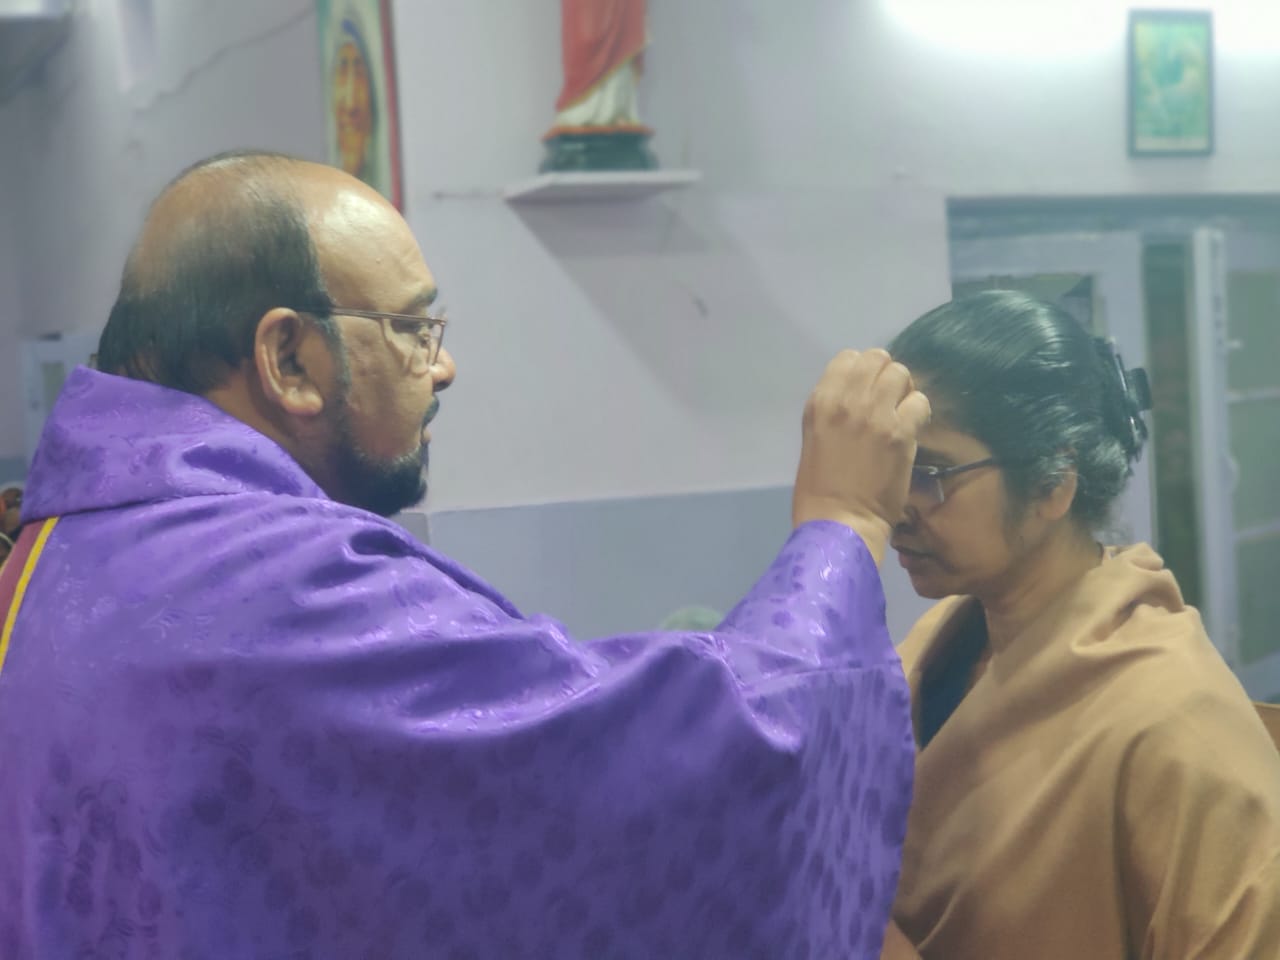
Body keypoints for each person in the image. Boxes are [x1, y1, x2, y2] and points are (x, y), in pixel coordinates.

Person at [0, 150, 930, 959]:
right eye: (413, 329)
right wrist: (844, 522)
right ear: (289, 360)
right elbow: (654, 772)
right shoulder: (265, 585)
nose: (442, 366)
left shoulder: (71, 551)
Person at [880, 291, 1280, 959]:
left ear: (1053, 483)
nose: (896, 505)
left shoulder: (1175, 722)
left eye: (929, 473)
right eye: (891, 468)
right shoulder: (938, 644)